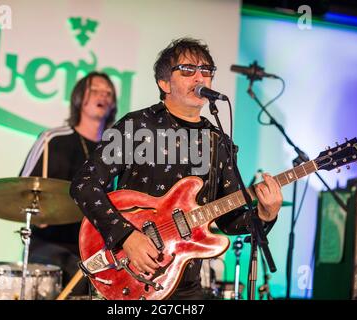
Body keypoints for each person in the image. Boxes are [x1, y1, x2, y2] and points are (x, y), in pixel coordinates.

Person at [70, 38, 283, 299]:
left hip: (185, 284)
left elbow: (230, 220)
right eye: (187, 70)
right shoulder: (137, 126)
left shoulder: (218, 142)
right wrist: (126, 237)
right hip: (130, 272)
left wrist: (265, 214)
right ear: (164, 83)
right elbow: (84, 184)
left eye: (206, 71)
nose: (199, 77)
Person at [20, 71, 117, 295]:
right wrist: (40, 214)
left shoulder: (115, 151)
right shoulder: (53, 139)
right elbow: (20, 191)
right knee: (78, 272)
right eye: (95, 90)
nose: (102, 95)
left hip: (96, 248)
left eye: (108, 92)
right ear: (78, 98)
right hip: (50, 245)